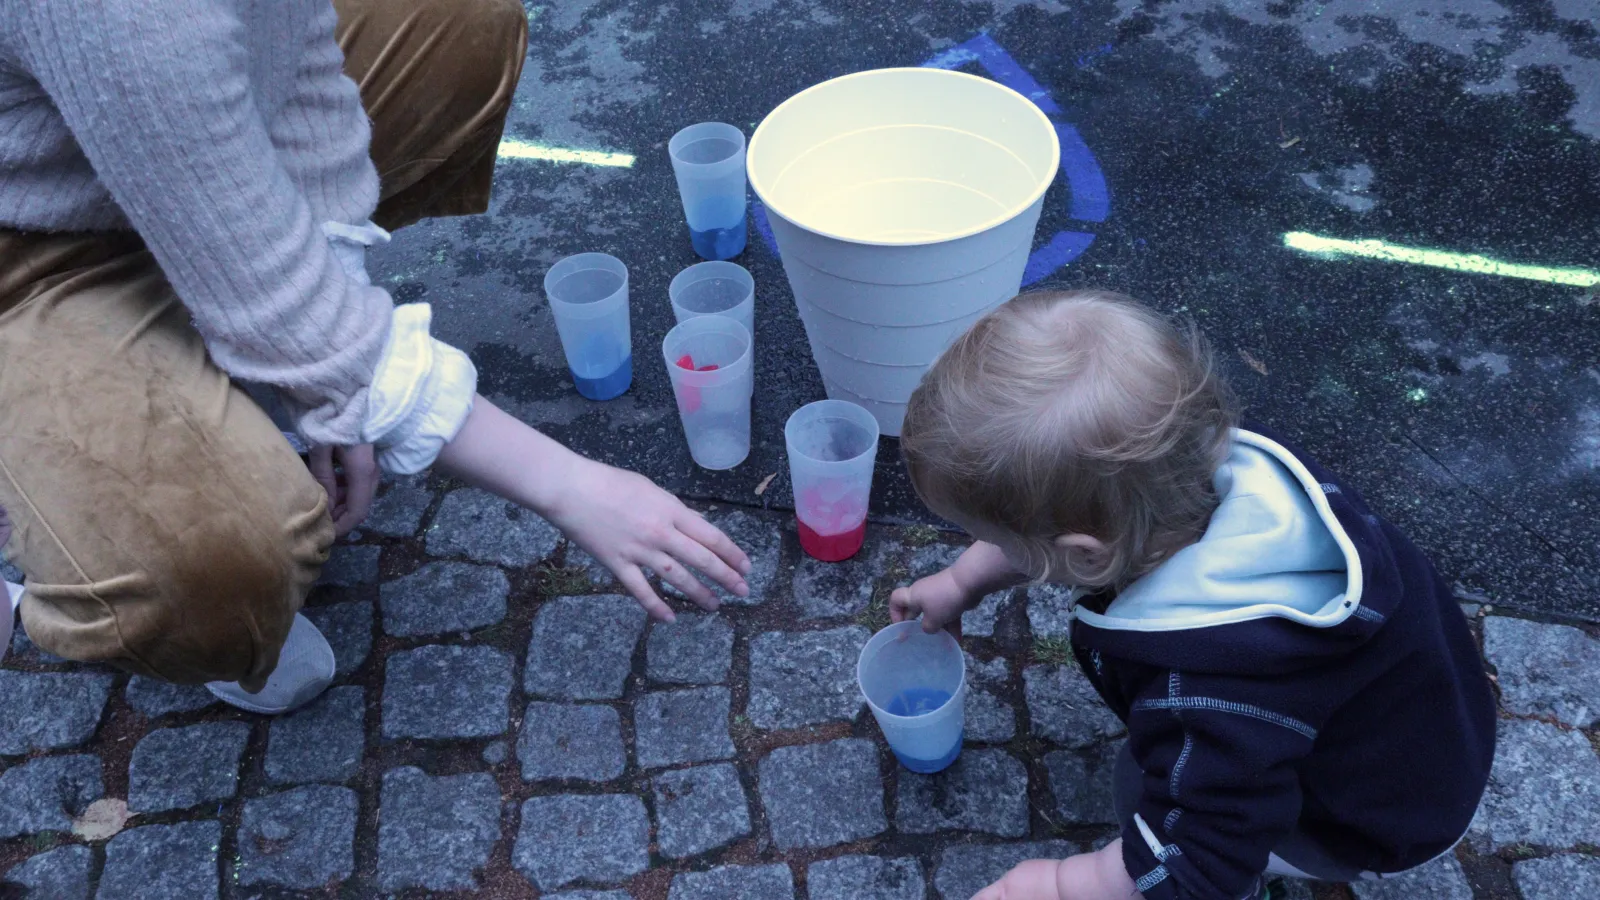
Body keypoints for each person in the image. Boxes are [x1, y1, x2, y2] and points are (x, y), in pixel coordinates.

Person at [0, 0, 750, 713]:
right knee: (212, 576)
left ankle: (225, 374)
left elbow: (292, 62)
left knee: (460, 31)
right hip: (31, 245)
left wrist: (328, 376)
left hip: (157, 145)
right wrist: (570, 483)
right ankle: (76, 508)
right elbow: (264, 289)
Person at [889, 291, 1495, 900]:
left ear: (1085, 556)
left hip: (1373, 819)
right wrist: (962, 581)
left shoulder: (1213, 689)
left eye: (986, 537)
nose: (977, 544)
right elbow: (1055, 526)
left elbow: (1201, 868)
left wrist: (1060, 886)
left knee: (1146, 793)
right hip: (1436, 715)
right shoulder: (1194, 464)